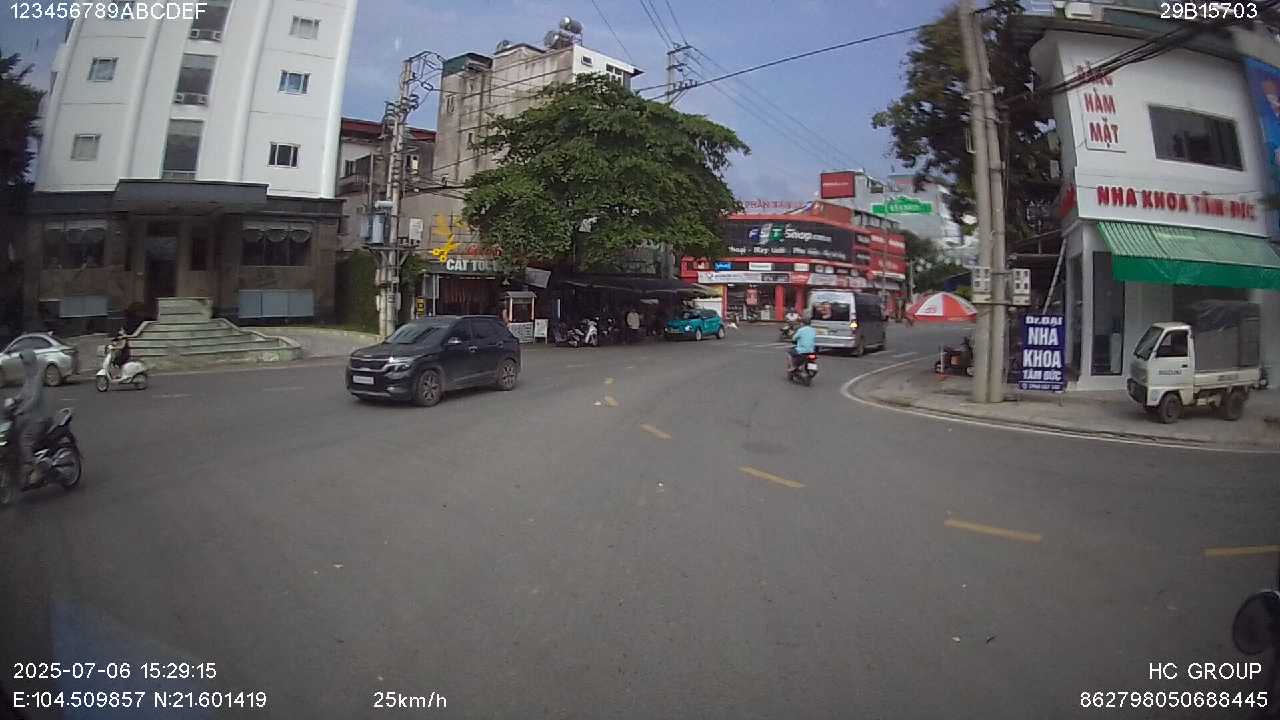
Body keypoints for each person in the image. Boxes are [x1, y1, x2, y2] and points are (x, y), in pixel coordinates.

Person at [12, 350, 50, 487]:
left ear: (32, 362)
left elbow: (34, 398)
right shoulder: (28, 378)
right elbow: (22, 394)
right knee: (15, 435)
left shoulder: (37, 378)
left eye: (26, 363)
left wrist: (22, 409)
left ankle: (36, 468)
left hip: (39, 419)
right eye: (24, 364)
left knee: (24, 440)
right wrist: (13, 401)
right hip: (29, 418)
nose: (25, 366)